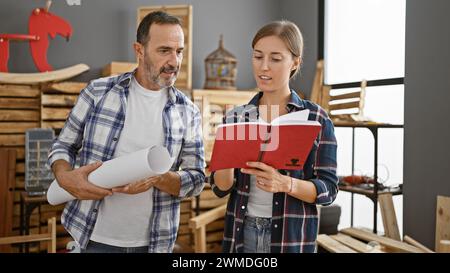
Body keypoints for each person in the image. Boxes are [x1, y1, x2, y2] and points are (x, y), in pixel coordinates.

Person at [47, 11, 205, 253]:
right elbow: (63, 145)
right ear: (139, 50)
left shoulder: (188, 111)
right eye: (164, 50)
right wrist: (64, 176)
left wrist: (156, 178)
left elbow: (196, 179)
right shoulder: (97, 93)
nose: (175, 61)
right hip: (92, 237)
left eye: (179, 51)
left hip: (154, 243)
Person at [210, 20, 338, 253]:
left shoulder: (317, 119)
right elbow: (220, 188)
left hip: (291, 236)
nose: (264, 67)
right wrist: (226, 158)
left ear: (295, 62)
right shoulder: (236, 117)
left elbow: (328, 190)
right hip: (241, 232)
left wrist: (285, 183)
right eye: (258, 57)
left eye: (275, 59)